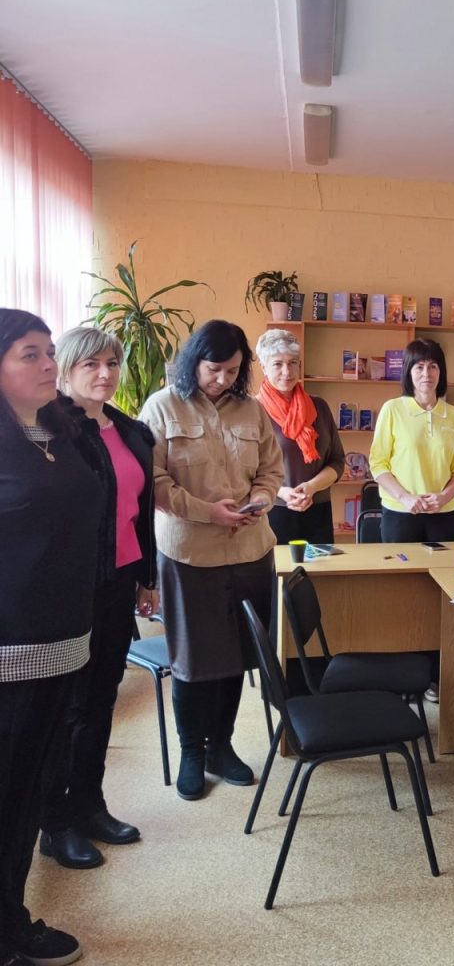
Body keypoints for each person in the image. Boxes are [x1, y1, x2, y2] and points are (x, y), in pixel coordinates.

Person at [139, 320, 283, 801]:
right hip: (189, 555)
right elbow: (154, 483)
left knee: (236, 655)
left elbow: (271, 470)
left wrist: (260, 500)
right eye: (213, 369)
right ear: (193, 362)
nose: (222, 379)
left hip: (250, 550)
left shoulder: (252, 410)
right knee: (194, 660)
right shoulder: (161, 407)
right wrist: (209, 513)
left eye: (233, 371)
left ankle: (221, 747)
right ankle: (192, 753)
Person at [0, 309, 102, 966]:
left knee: (28, 795)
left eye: (47, 352)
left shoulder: (57, 432)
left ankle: (10, 920)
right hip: (9, 651)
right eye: (29, 354)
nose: (47, 365)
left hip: (62, 643)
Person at [37, 328, 157, 871]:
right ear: (65, 368)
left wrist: (147, 577)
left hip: (119, 580)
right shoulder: (49, 429)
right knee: (68, 706)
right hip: (69, 586)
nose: (104, 373)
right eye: (91, 364)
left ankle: (90, 804)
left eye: (111, 363)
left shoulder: (128, 430)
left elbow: (140, 511)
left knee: (101, 698)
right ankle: (54, 822)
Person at [369, 338, 454, 543]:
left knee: (441, 564)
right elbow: (378, 464)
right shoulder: (392, 409)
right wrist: (405, 497)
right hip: (400, 512)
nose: (427, 374)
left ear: (441, 372)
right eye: (419, 367)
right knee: (401, 565)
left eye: (433, 366)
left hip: (443, 513)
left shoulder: (453, 415)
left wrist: (444, 497)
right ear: (408, 371)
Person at [255, 329, 345, 544]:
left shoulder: (319, 407)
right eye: (278, 364)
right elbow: (244, 471)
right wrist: (282, 492)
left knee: (322, 566)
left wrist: (311, 487)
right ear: (263, 367)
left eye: (293, 362)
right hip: (272, 510)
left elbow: (337, 461)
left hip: (318, 509)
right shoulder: (252, 410)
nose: (287, 371)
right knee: (276, 566)